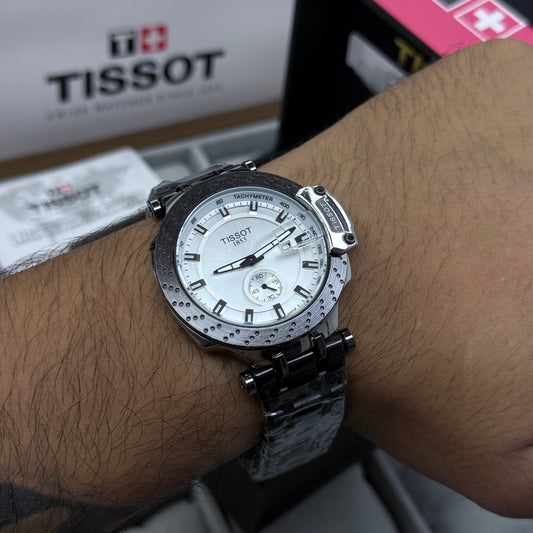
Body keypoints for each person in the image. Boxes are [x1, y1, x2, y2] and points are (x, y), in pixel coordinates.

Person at [2, 38, 533, 532]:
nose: (252, 258)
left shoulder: (313, 249)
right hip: (267, 339)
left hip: (301, 321)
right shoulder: (191, 300)